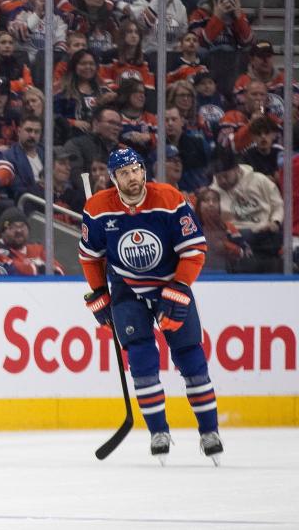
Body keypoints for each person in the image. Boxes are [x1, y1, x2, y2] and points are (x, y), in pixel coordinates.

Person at [80, 147, 223, 464]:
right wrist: (100, 292)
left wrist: (181, 286)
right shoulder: (98, 207)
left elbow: (194, 251)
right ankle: (159, 432)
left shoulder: (169, 198)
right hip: (127, 289)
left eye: (136, 170)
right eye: (124, 173)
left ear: (144, 171)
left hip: (170, 285)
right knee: (142, 363)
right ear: (114, 178)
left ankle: (209, 432)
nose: (132, 177)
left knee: (191, 359)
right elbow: (90, 257)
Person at [0, 207, 61, 275]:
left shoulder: (37, 249)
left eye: (22, 226)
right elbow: (16, 270)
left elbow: (59, 271)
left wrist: (38, 268)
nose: (19, 230)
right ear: (3, 232)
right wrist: (40, 267)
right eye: (13, 227)